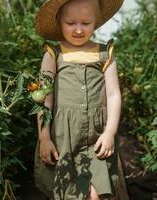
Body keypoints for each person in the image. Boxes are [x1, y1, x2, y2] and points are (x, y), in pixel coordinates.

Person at [34, 0, 123, 199]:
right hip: (63, 135)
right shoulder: (53, 55)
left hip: (97, 134)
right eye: (71, 23)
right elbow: (43, 99)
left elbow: (113, 94)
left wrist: (110, 132)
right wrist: (44, 137)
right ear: (59, 22)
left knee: (96, 193)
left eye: (86, 23)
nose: (78, 30)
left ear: (96, 21)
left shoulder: (104, 53)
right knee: (69, 191)